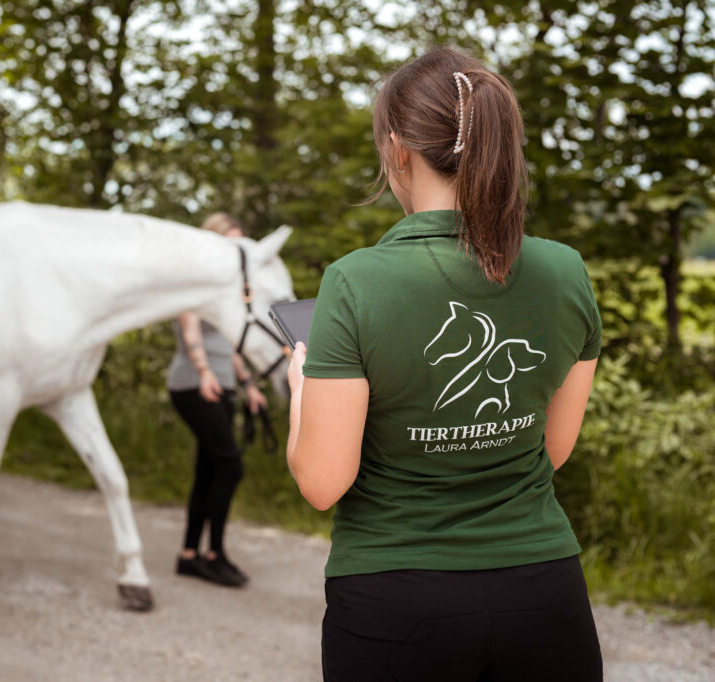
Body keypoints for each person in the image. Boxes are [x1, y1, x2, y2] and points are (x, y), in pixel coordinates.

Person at [285, 48, 604, 681]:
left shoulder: (353, 283)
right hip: (544, 594)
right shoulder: (565, 270)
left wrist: (301, 385)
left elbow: (322, 483)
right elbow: (555, 447)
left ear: (397, 148)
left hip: (395, 602)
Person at [168, 212, 268, 587]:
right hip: (194, 384)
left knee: (208, 470)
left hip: (222, 385)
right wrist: (205, 371)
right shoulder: (193, 287)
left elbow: (233, 346)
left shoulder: (226, 293)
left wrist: (249, 385)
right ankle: (216, 555)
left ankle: (189, 555)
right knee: (230, 466)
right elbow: (191, 330)